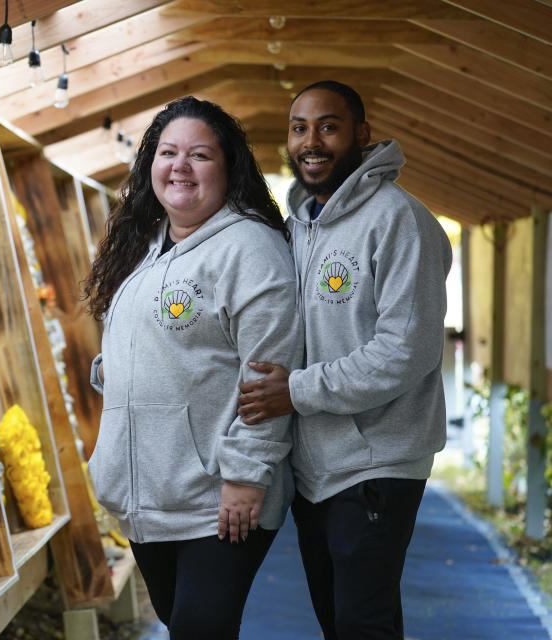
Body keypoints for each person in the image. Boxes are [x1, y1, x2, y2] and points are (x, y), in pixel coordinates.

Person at [236, 81, 453, 640]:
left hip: (377, 460)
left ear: (361, 134)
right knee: (339, 620)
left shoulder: (399, 221)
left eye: (328, 126)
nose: (312, 141)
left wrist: (298, 391)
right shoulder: (296, 228)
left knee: (362, 622)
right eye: (299, 127)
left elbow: (406, 351)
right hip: (316, 467)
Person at [83, 96, 302, 639]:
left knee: (200, 631)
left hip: (216, 497)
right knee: (181, 623)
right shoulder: (146, 248)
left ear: (228, 168)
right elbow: (149, 342)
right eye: (167, 152)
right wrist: (116, 370)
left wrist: (247, 477)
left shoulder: (249, 248)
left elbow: (268, 374)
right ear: (149, 166)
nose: (179, 166)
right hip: (148, 494)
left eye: (199, 155)